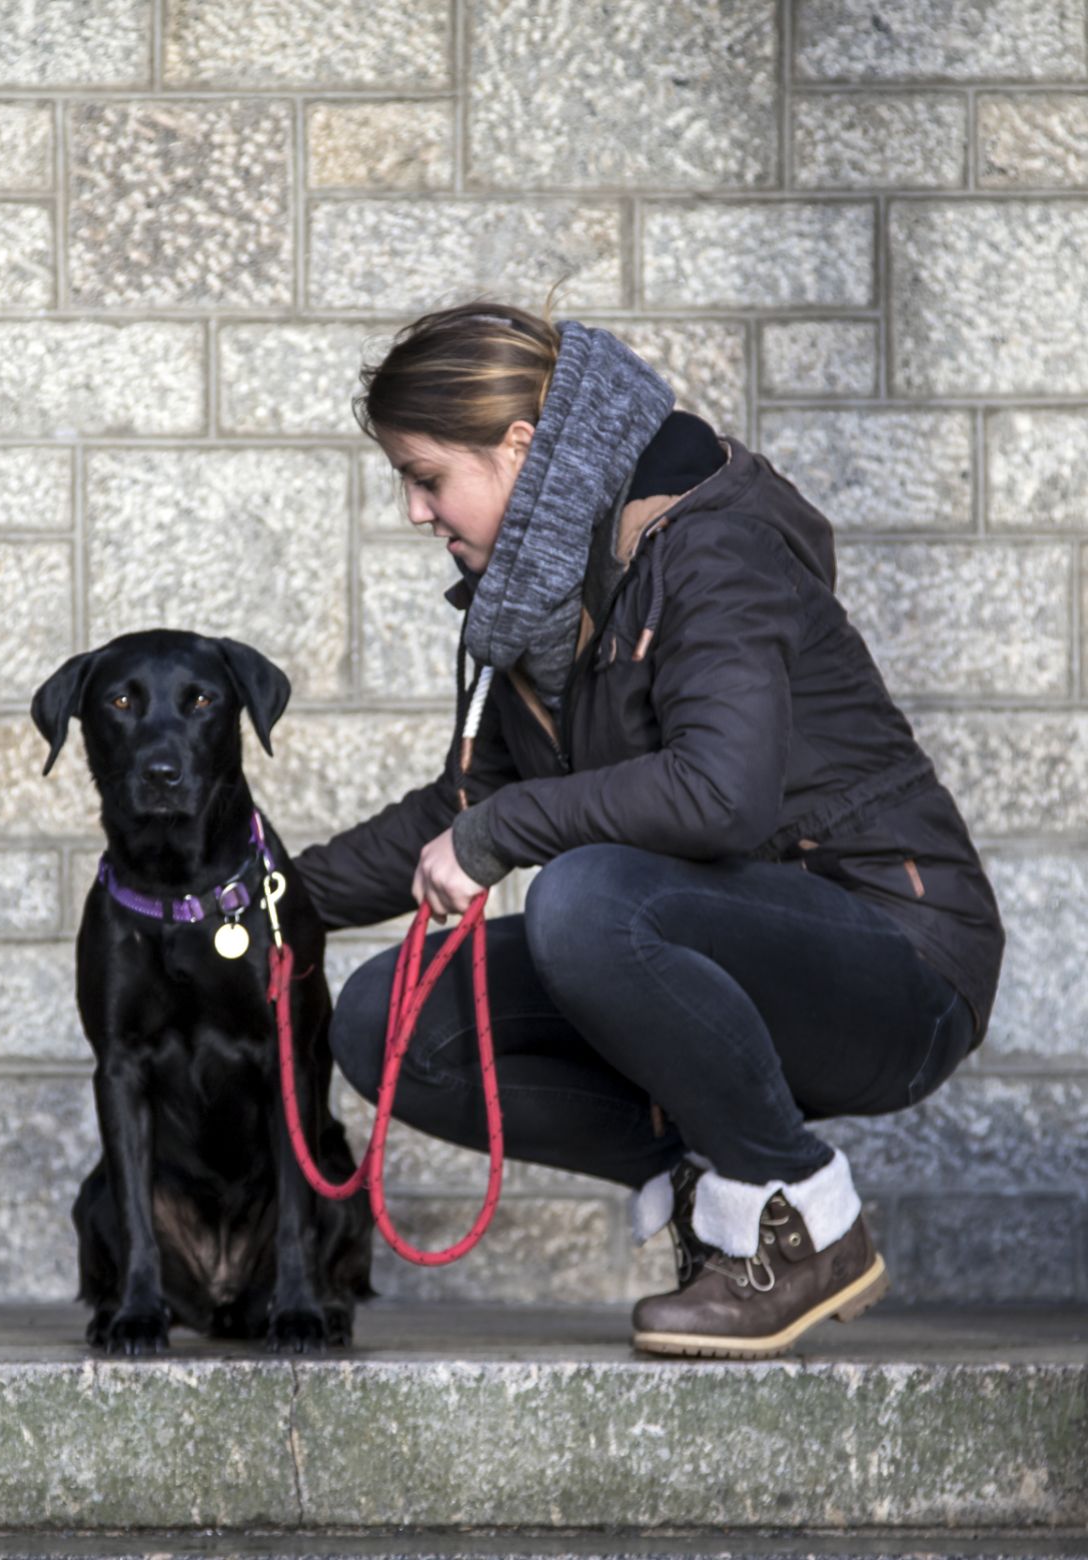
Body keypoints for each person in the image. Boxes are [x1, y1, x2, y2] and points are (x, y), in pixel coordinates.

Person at [289, 289, 1005, 1359]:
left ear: (518, 448)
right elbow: (466, 806)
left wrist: (503, 836)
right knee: (386, 1017)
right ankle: (721, 1199)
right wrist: (263, 901)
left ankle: (796, 1217)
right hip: (710, 952)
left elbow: (722, 793)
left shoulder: (711, 547)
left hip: (895, 955)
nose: (413, 511)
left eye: (427, 476)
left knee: (584, 898)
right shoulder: (542, 602)